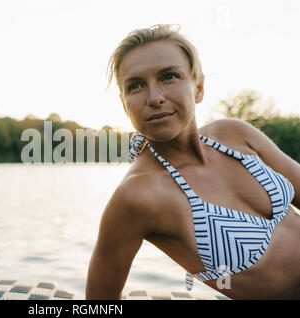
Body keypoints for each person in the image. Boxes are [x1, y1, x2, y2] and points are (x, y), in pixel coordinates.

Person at [85, 24, 300, 300]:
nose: (155, 97)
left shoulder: (235, 135)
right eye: (136, 85)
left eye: (169, 76)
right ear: (124, 104)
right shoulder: (137, 196)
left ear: (198, 88)